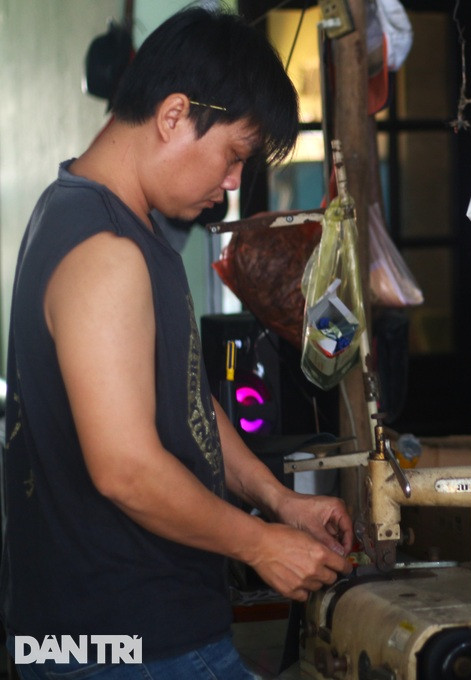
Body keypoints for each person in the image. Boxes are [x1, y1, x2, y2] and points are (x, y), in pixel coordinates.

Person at [1, 7, 354, 678]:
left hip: (124, 632)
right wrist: (261, 545)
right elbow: (126, 468)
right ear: (173, 116)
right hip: (126, 642)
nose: (230, 184)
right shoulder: (105, 251)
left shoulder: (107, 221)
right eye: (233, 156)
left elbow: (184, 394)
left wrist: (277, 501)